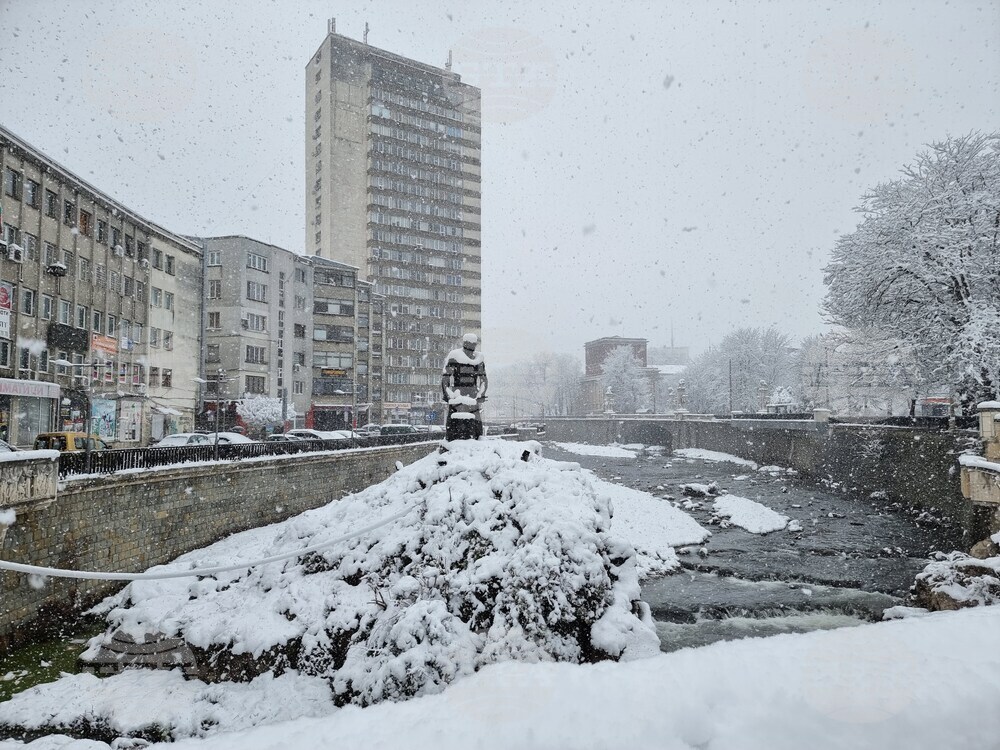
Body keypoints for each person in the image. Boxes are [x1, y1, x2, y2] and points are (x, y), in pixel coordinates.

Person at [441, 333, 488, 440]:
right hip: (458, 396)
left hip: (472, 396)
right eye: (469, 344)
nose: (470, 347)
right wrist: (449, 395)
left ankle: (475, 439)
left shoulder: (479, 360)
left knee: (475, 425)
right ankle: (454, 439)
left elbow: (484, 380)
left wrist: (481, 394)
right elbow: (445, 378)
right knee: (455, 423)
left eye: (473, 345)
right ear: (464, 343)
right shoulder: (454, 356)